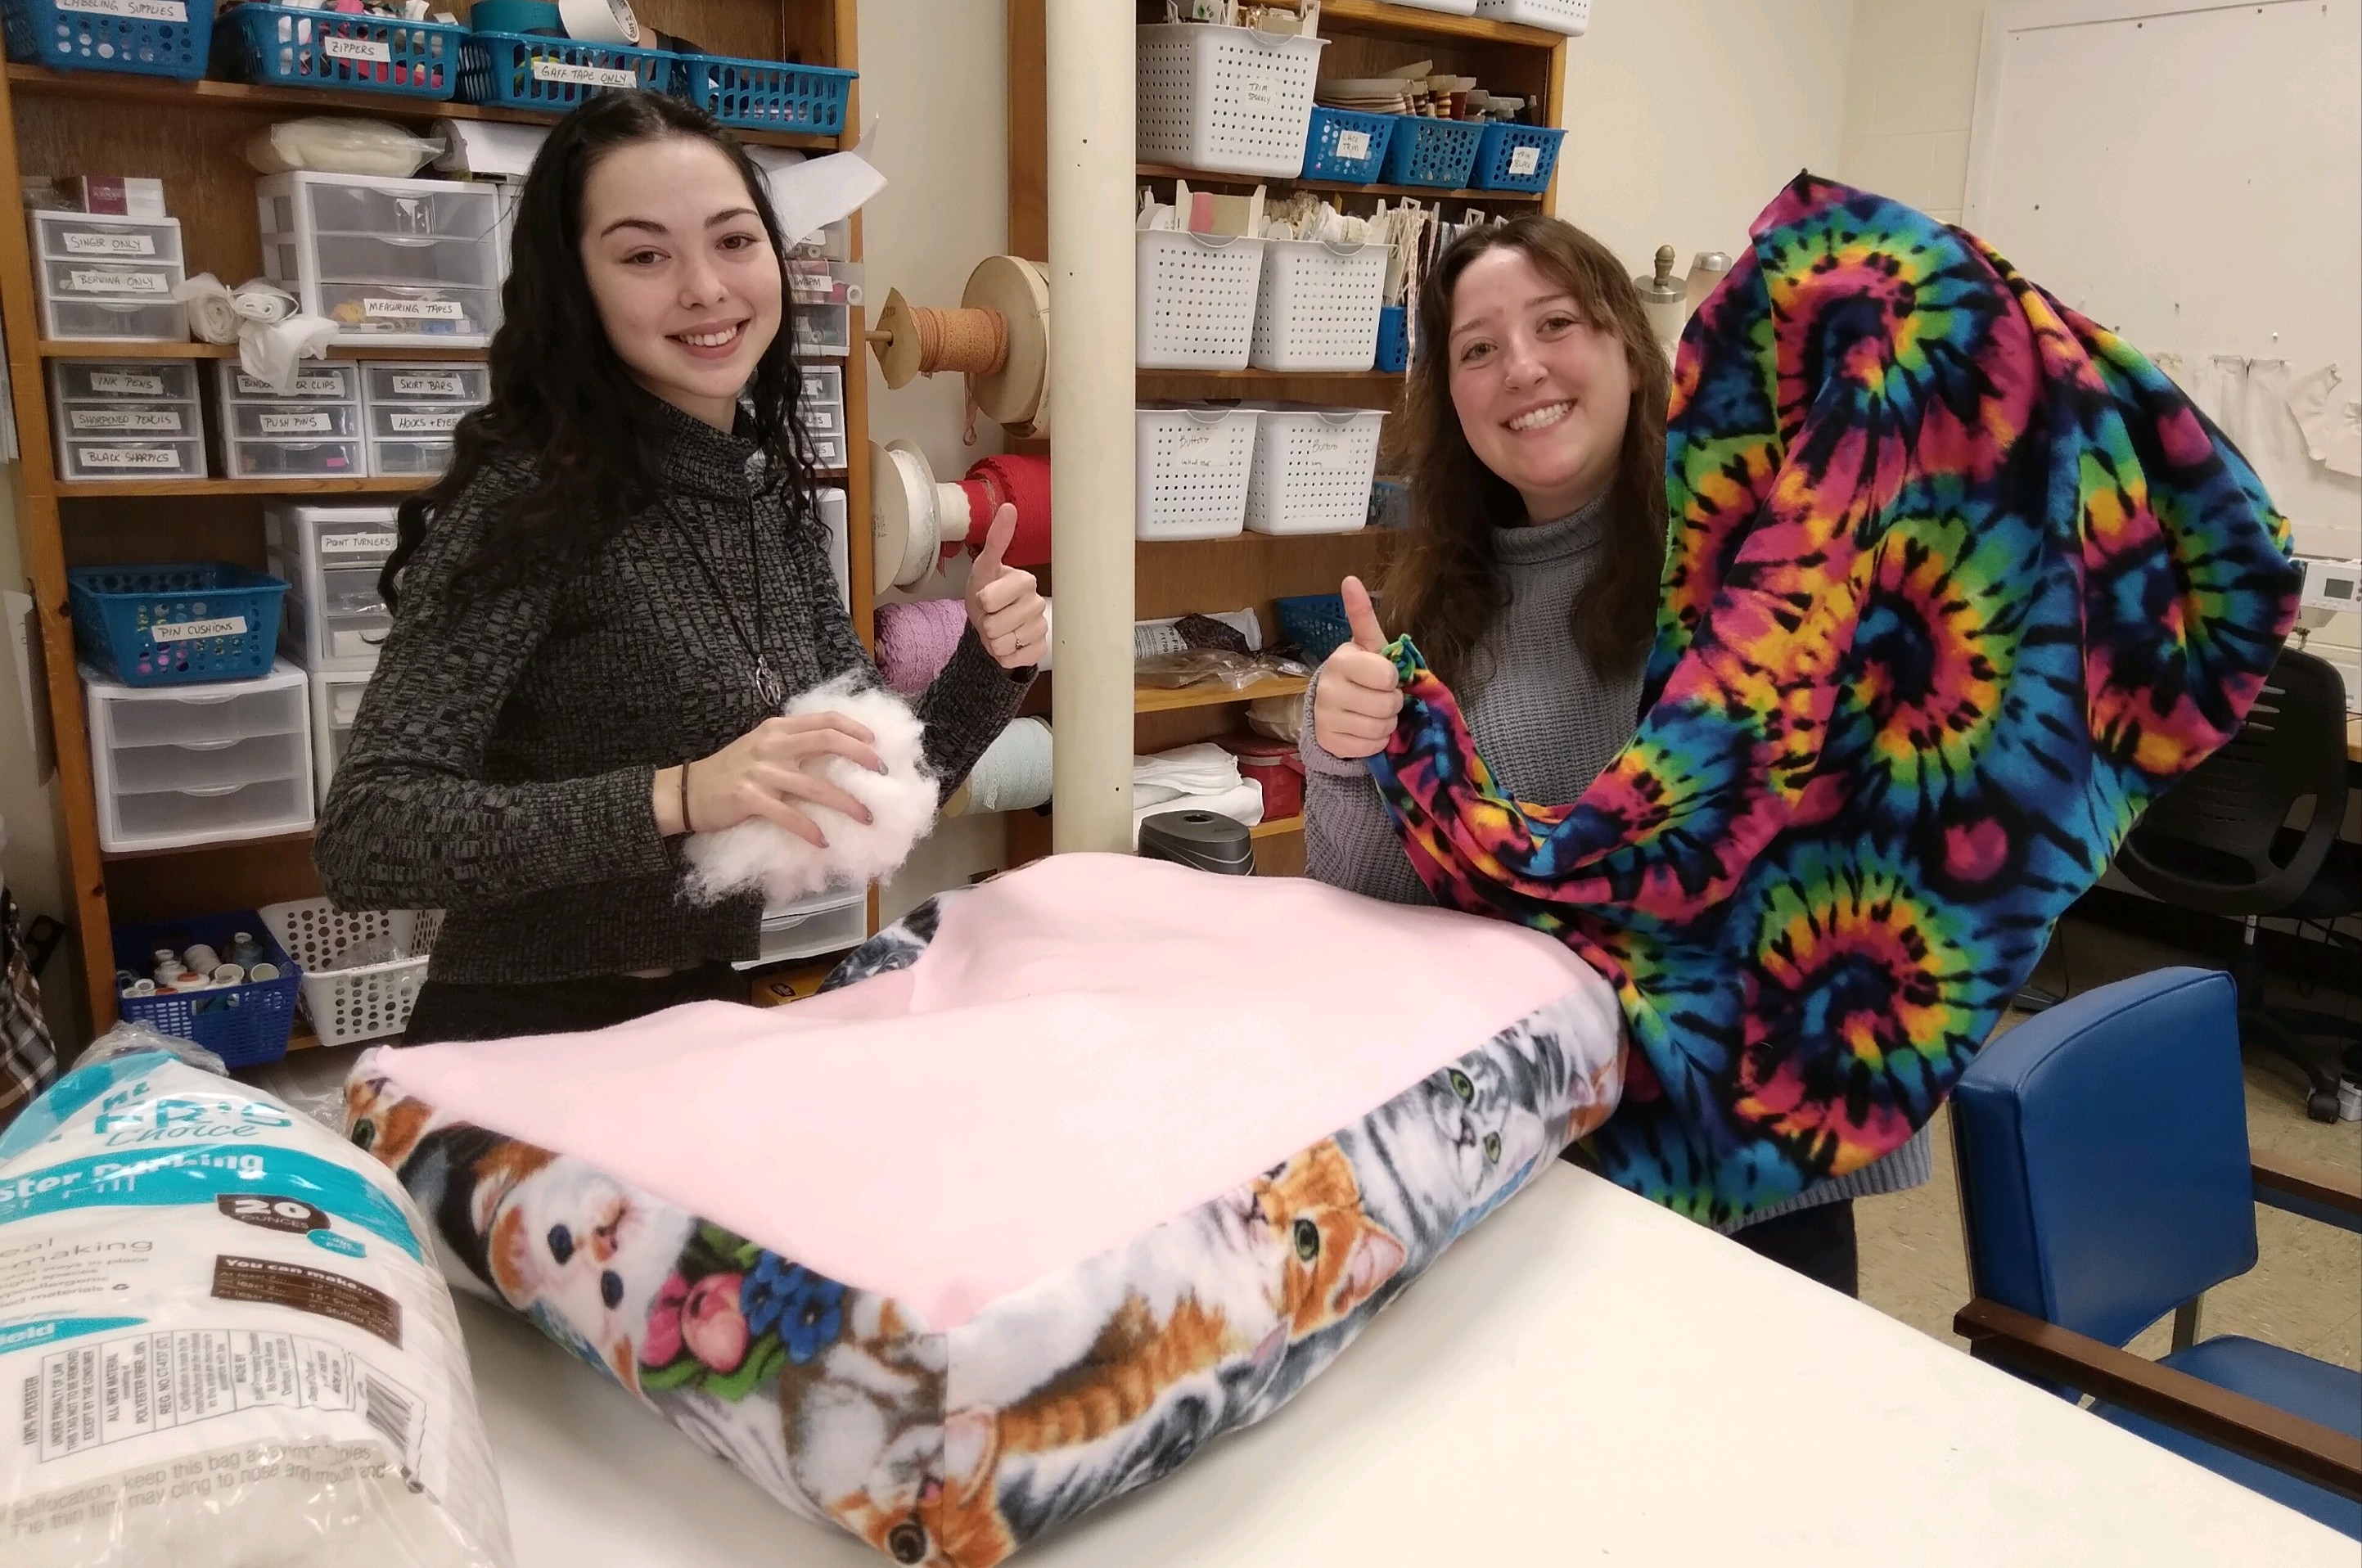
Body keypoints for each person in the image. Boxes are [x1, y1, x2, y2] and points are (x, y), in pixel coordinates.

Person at [314, 92, 1044, 1044]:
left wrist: (992, 662)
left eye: (735, 241)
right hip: (524, 1034)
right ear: (575, 286)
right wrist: (679, 794)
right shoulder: (530, 502)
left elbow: (873, 796)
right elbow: (368, 834)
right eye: (645, 254)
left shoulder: (762, 501)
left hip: (699, 1016)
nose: (705, 287)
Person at [1299, 213, 1928, 1295]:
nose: (1522, 369)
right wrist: (1342, 748)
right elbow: (1377, 908)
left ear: (1630, 350)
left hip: (1749, 1169)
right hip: (1533, 1156)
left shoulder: (1763, 554)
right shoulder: (1441, 606)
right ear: (1448, 396)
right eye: (1478, 348)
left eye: (1555, 324)